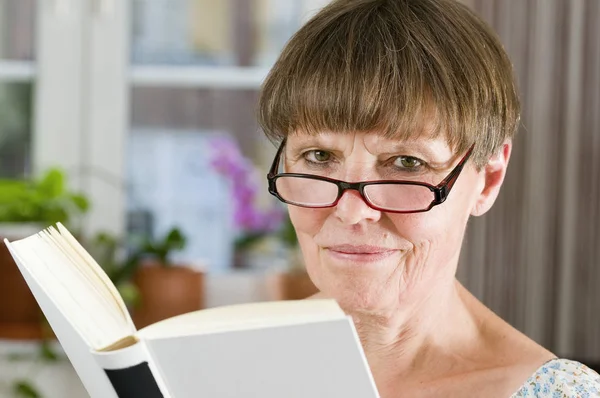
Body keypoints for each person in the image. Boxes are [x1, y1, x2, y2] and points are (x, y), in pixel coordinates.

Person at [257, 0, 600, 397]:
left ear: (489, 178)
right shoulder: (221, 365)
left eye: (406, 162)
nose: (351, 211)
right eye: (319, 156)